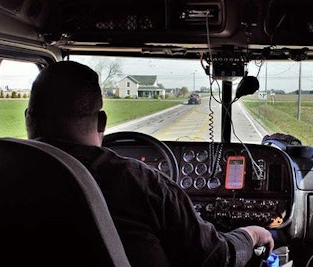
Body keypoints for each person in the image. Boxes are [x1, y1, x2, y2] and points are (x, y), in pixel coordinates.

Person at [25, 60, 274, 267]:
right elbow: (214, 257)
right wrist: (251, 234)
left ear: (28, 118)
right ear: (101, 122)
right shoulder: (139, 181)